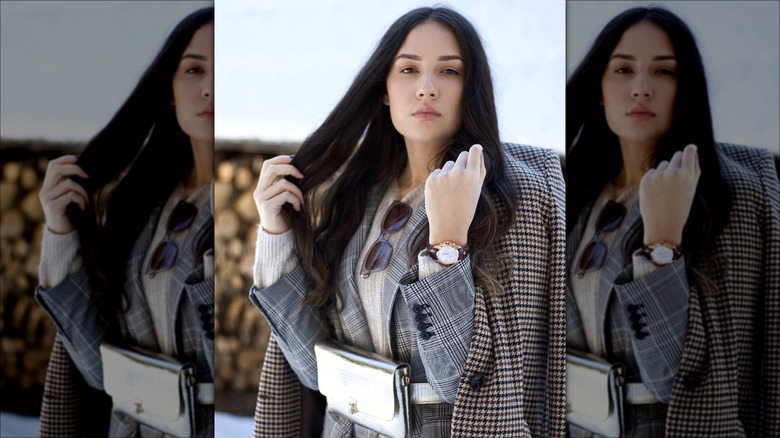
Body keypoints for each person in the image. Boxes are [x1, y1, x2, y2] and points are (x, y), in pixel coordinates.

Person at [249, 6, 566, 438]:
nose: (427, 88)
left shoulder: (513, 199)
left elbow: (473, 389)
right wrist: (276, 236)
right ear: (383, 87)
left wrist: (447, 246)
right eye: (409, 70)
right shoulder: (352, 198)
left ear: (471, 88)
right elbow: (312, 370)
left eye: (449, 72)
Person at [565, 6, 779, 437]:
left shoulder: (731, 195)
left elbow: (700, 381)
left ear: (687, 89)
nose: (641, 88)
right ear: (600, 89)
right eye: (623, 69)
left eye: (663, 72)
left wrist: (660, 247)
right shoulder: (582, 193)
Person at [34, 7, 215, 437]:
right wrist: (60, 235)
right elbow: (102, 370)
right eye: (194, 70)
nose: (210, 88)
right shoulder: (139, 206)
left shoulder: (264, 210)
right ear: (169, 89)